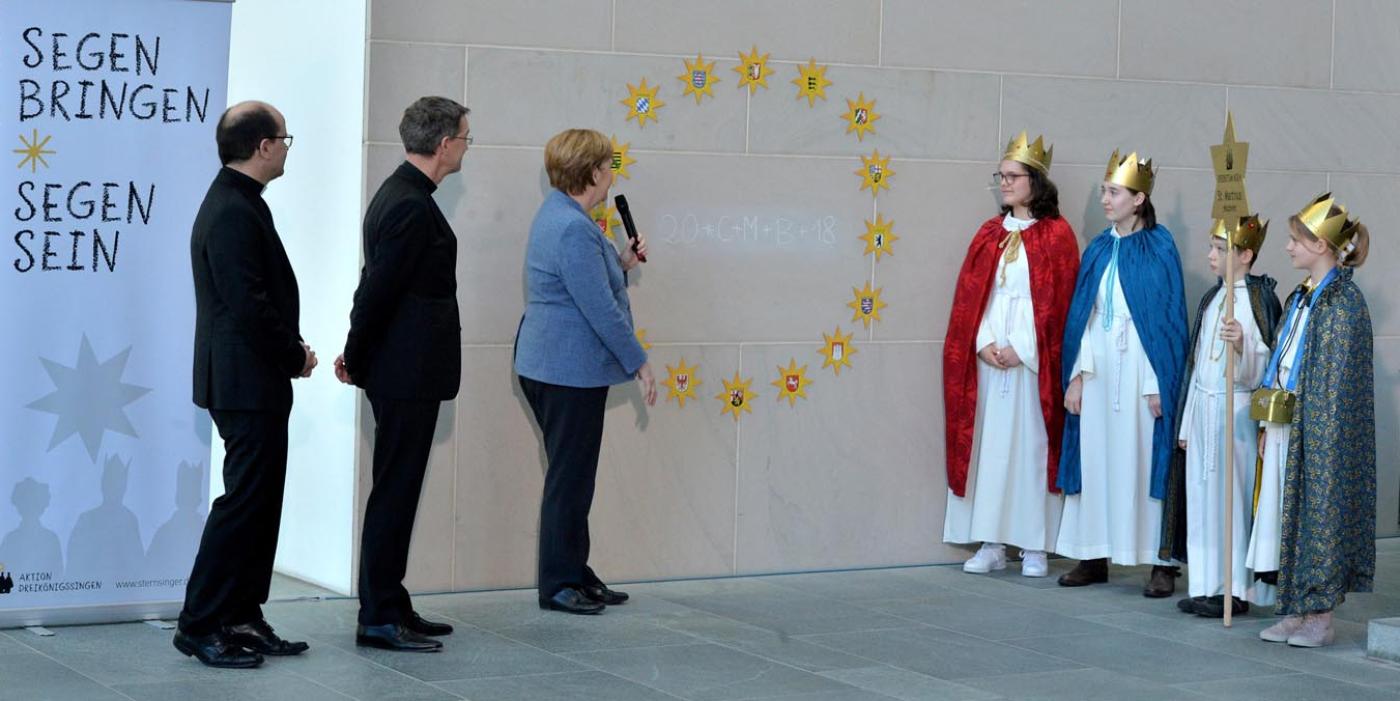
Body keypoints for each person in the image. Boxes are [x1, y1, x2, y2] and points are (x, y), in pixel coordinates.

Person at [178, 101, 314, 669]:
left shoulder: (240, 201)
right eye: (284, 139)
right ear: (262, 146)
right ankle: (200, 622)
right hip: (243, 379)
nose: (287, 148)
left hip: (250, 378)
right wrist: (294, 355)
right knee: (242, 504)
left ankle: (241, 613)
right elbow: (249, 305)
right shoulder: (232, 210)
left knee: (260, 502)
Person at [334, 96, 469, 652]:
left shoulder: (405, 193)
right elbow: (377, 291)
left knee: (398, 490)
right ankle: (380, 615)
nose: (466, 147)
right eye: (465, 137)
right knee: (394, 492)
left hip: (402, 368)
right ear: (443, 145)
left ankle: (390, 600)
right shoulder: (410, 204)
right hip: (404, 371)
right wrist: (355, 354)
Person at [514, 128, 656, 615]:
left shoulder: (562, 214)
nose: (611, 172)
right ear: (594, 172)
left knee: (573, 476)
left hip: (556, 365)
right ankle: (558, 582)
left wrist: (620, 261)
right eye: (608, 164)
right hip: (564, 369)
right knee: (570, 479)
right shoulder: (573, 226)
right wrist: (639, 362)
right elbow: (598, 308)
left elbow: (586, 282)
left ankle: (575, 570)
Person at [942, 132, 1079, 577]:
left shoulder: (1057, 236)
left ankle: (1035, 545)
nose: (1004, 183)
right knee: (992, 449)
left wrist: (1023, 349)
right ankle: (991, 541)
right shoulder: (989, 233)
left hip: (1030, 365)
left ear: (1035, 182)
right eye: (1000, 176)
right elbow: (973, 296)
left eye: (1012, 176)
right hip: (989, 361)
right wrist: (982, 343)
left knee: (1031, 450)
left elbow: (1060, 305)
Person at [1056, 150, 1188, 597]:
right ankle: (1092, 553)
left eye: (1113, 192)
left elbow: (1167, 320)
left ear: (1139, 197)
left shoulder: (1160, 246)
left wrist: (1157, 383)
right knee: (1095, 458)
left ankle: (1159, 560)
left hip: (1140, 373)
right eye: (1103, 191)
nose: (1105, 199)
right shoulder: (1097, 249)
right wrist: (1076, 374)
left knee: (1144, 461)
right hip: (1097, 369)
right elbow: (1083, 318)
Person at [1257, 193, 1374, 648]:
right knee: (1290, 516)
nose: (1288, 247)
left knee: (1318, 514)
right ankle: (1296, 606)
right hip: (1291, 421)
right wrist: (1271, 422)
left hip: (1322, 429)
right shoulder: (1303, 296)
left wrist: (1313, 422)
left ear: (1322, 245)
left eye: (1295, 240)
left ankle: (1320, 614)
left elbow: (1338, 380)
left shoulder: (1343, 302)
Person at [1162, 216, 1280, 618]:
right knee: (1202, 499)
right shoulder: (1213, 299)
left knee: (1233, 501)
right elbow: (1197, 367)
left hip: (1238, 415)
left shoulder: (1259, 301)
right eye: (1211, 247)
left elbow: (1266, 366)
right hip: (1204, 411)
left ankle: (1235, 590)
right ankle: (1207, 583)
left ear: (1245, 255)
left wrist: (1244, 344)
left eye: (1219, 248)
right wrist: (1185, 422)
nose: (1210, 256)